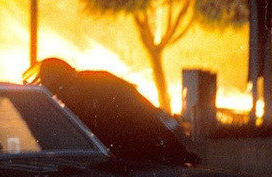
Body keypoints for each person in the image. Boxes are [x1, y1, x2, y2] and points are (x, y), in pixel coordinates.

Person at [23, 57, 201, 166]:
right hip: (147, 153)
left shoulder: (86, 92)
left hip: (141, 158)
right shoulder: (91, 82)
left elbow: (94, 132)